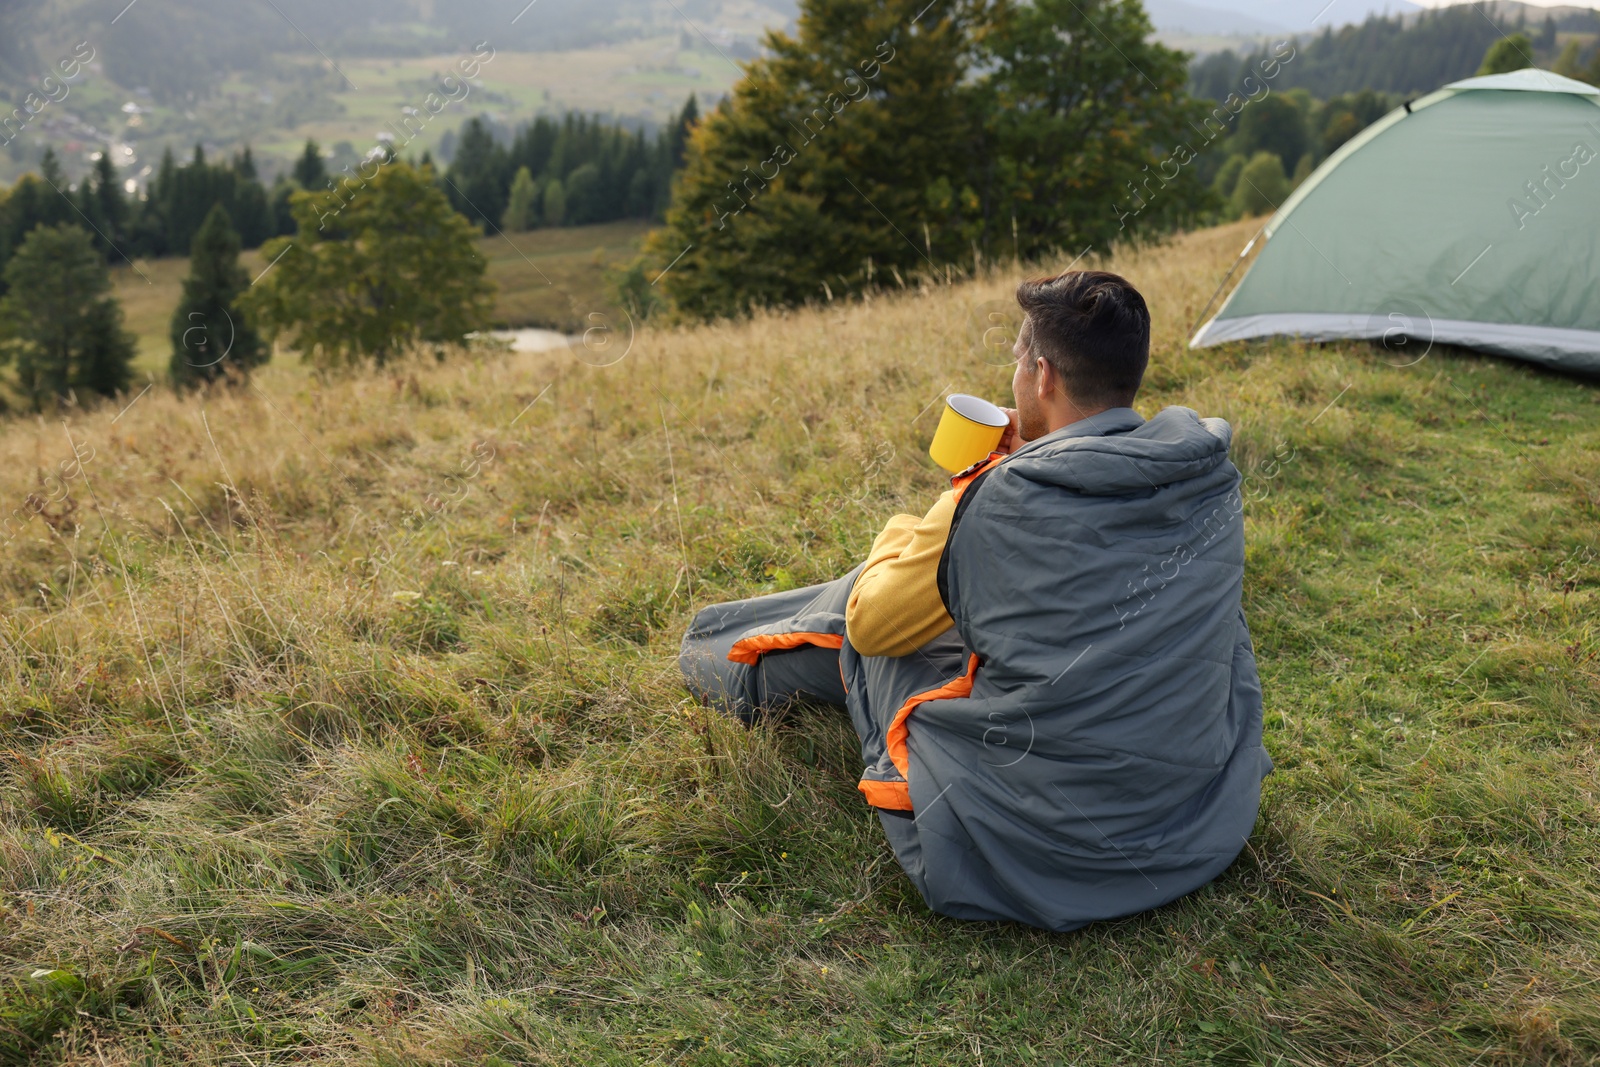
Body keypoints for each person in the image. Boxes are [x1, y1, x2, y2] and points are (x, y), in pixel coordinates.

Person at [678, 270, 1273, 932]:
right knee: (922, 602)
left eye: (1018, 361)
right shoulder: (1204, 473)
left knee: (866, 619)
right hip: (1192, 818)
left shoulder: (998, 501)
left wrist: (948, 507)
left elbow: (872, 625)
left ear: (1043, 376)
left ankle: (717, 660)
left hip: (1035, 854)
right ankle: (727, 644)